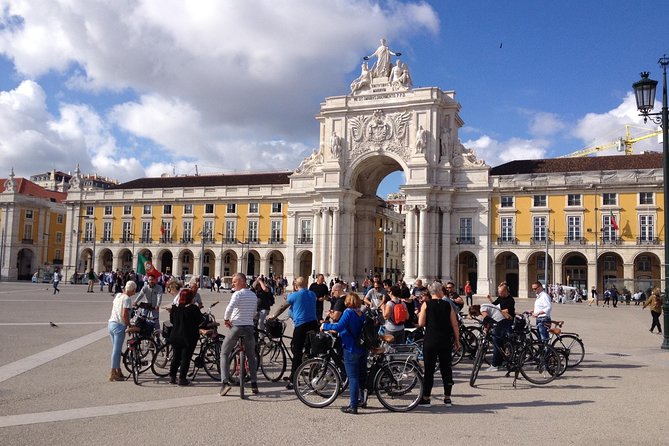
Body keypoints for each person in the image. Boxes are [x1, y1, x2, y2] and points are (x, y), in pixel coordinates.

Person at [269, 276, 318, 389]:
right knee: (311, 351)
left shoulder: (294, 295)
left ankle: (293, 380)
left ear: (296, 286)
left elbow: (282, 307)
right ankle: (313, 375)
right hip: (313, 324)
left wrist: (274, 316)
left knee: (297, 352)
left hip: (301, 325)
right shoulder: (312, 294)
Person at [321, 293, 367, 414]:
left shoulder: (348, 312)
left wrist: (324, 325)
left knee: (352, 377)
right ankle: (362, 400)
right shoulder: (361, 313)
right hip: (362, 348)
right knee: (361, 376)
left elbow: (339, 326)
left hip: (350, 347)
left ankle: (353, 406)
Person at [418, 281, 459, 407]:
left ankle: (426, 398)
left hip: (430, 340)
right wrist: (457, 340)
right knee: (446, 369)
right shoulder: (448, 305)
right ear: (438, 291)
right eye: (442, 289)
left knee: (429, 370)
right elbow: (455, 324)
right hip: (445, 340)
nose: (443, 291)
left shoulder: (426, 304)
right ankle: (447, 398)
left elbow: (421, 323)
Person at [220, 273, 260, 396]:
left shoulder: (238, 294)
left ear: (242, 282)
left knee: (224, 353)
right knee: (251, 356)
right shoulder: (253, 295)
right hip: (249, 327)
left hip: (236, 327)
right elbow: (254, 312)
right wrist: (248, 318)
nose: (233, 284)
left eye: (235, 282)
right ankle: (254, 384)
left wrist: (226, 319)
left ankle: (225, 383)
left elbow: (229, 308)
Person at [168, 288, 204, 385]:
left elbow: (171, 321)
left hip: (175, 335)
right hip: (188, 336)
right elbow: (200, 321)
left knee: (176, 356)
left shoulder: (174, 308)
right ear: (190, 298)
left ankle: (172, 376)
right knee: (185, 358)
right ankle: (182, 378)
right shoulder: (193, 308)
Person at [108, 280, 136, 381]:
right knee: (117, 350)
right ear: (132, 290)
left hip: (111, 323)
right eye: (134, 290)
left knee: (117, 350)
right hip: (119, 326)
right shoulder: (127, 299)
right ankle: (112, 372)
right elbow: (124, 314)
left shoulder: (119, 295)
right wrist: (129, 325)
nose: (135, 292)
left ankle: (118, 370)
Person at [484, 282, 515, 371]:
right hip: (500, 321)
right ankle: (499, 363)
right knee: (499, 343)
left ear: (506, 292)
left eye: (501, 293)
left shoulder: (511, 299)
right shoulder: (500, 297)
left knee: (497, 343)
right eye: (499, 293)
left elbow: (508, 310)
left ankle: (494, 365)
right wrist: (490, 300)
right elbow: (495, 304)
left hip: (506, 322)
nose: (499, 294)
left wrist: (498, 310)